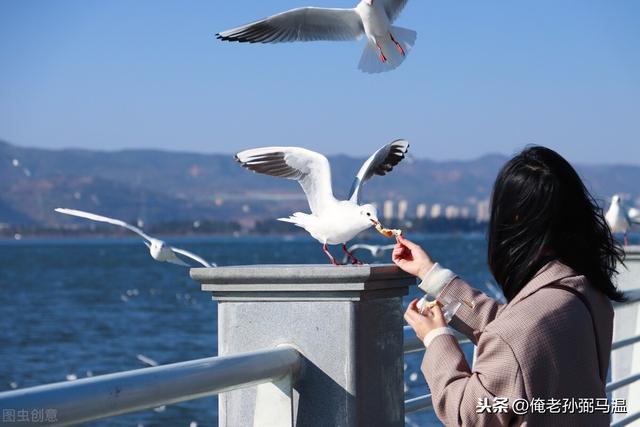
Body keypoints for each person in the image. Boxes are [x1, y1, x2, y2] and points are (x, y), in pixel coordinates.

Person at [393, 146, 625, 426]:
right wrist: (431, 275)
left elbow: (469, 413)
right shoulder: (583, 290)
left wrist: (436, 338)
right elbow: (515, 337)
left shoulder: (522, 328)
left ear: (514, 219)